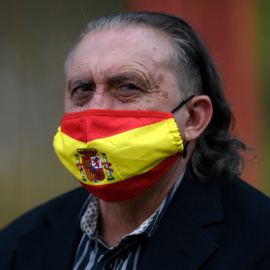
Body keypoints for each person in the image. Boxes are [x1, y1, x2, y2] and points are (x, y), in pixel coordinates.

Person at [1, 11, 270, 270]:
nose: (97, 109)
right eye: (82, 89)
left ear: (193, 119)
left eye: (128, 87)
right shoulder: (17, 243)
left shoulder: (259, 242)